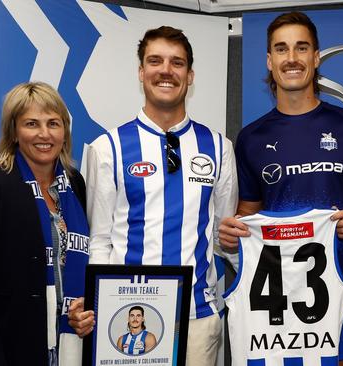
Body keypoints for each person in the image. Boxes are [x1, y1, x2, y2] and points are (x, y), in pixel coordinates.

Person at [68, 26, 237, 366]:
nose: (166, 70)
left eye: (177, 63)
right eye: (155, 61)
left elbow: (225, 236)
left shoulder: (219, 147)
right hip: (124, 313)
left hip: (197, 317)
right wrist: (97, 302)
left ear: (189, 76)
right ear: (141, 72)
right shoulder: (108, 148)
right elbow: (100, 239)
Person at [218, 11, 343, 366]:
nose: (292, 58)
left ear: (316, 57)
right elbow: (248, 212)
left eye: (301, 48)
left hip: (341, 290)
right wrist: (231, 230)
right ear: (269, 60)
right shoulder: (251, 138)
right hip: (273, 300)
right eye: (282, 49)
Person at [0, 82, 89, 366]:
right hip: (12, 349)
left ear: (65, 131)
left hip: (74, 348)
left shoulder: (75, 184)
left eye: (54, 123)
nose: (44, 134)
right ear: (13, 132)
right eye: (31, 123)